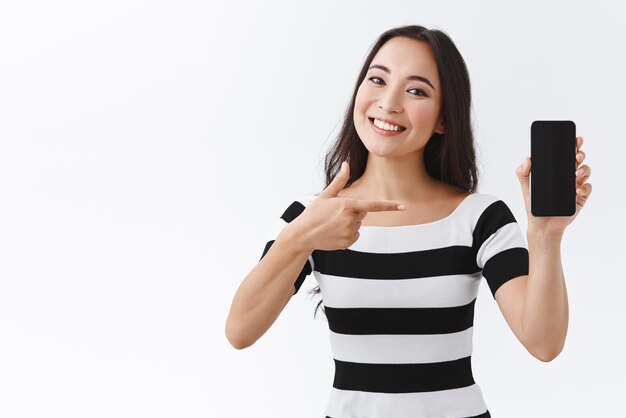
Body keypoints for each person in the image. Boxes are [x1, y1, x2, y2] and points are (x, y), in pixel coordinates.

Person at [225, 25, 592, 418]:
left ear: (443, 120)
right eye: (378, 79)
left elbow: (544, 343)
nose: (389, 102)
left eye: (416, 90)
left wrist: (545, 235)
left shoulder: (480, 218)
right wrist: (298, 239)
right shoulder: (313, 216)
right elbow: (240, 331)